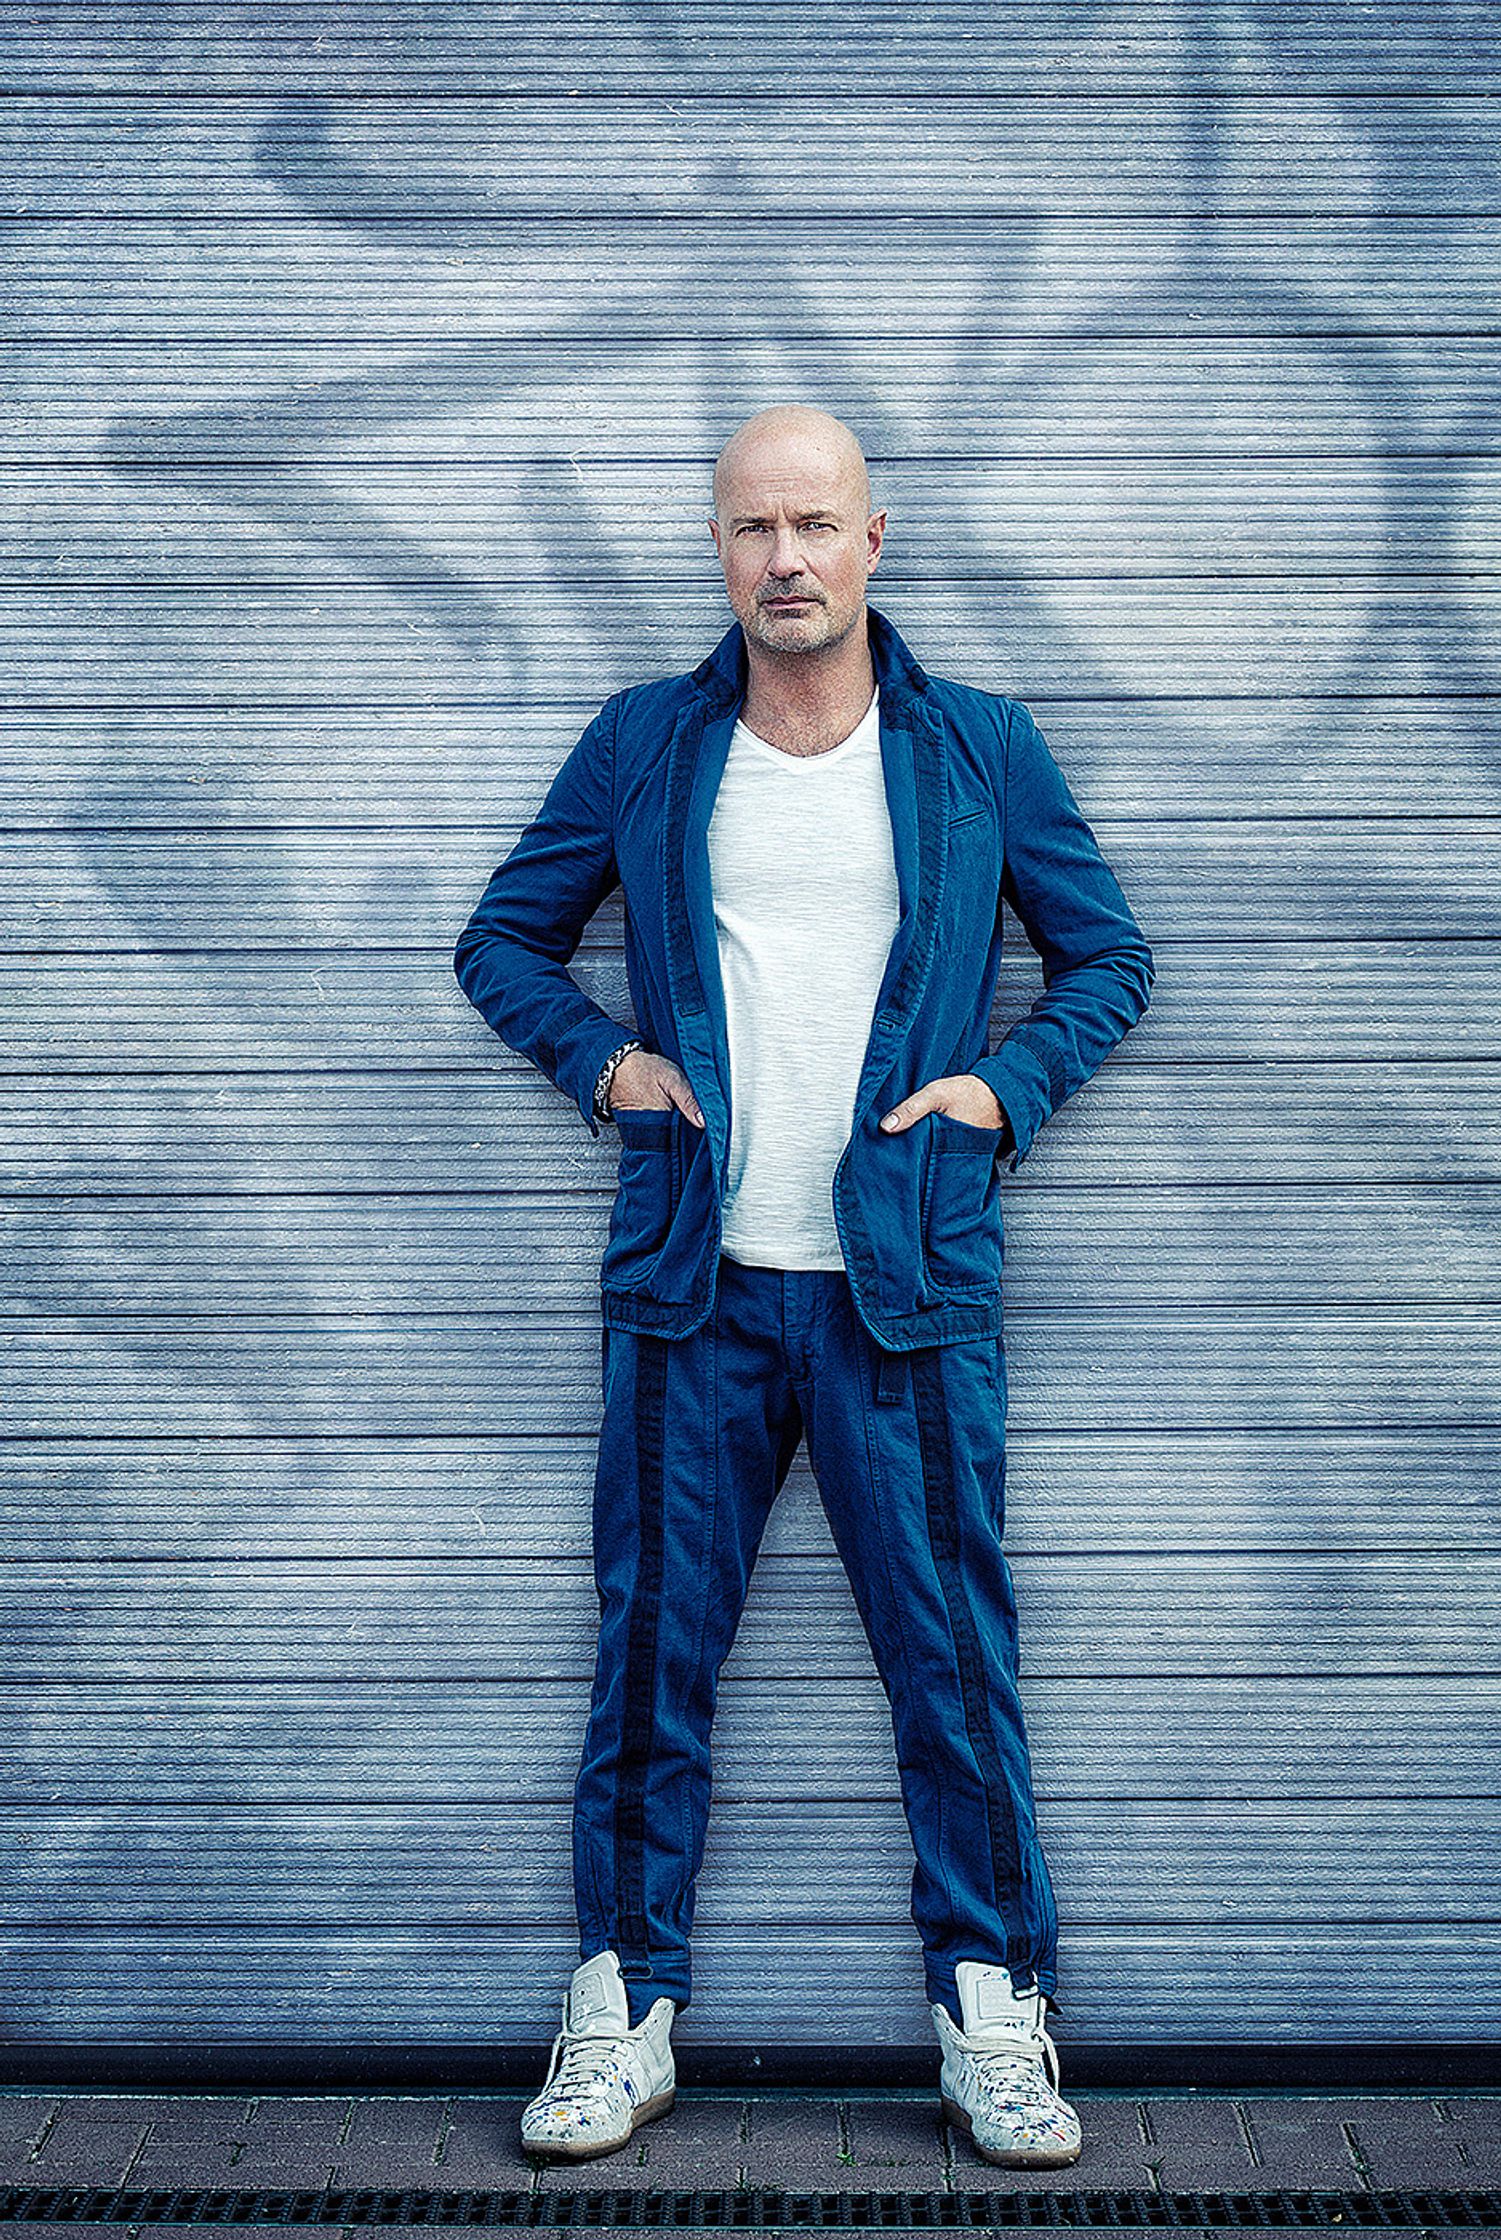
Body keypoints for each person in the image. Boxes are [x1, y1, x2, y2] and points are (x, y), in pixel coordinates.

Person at [452, 405, 1155, 2171]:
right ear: (718, 546)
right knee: (648, 1661)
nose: (786, 556)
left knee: (950, 1665)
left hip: (900, 1294)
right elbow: (501, 941)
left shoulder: (976, 749)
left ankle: (995, 2017)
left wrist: (1005, 1090)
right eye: (755, 526)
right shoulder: (646, 746)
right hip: (696, 1290)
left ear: (873, 536)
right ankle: (621, 2014)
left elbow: (1110, 956)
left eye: (816, 524)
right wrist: (603, 1064)